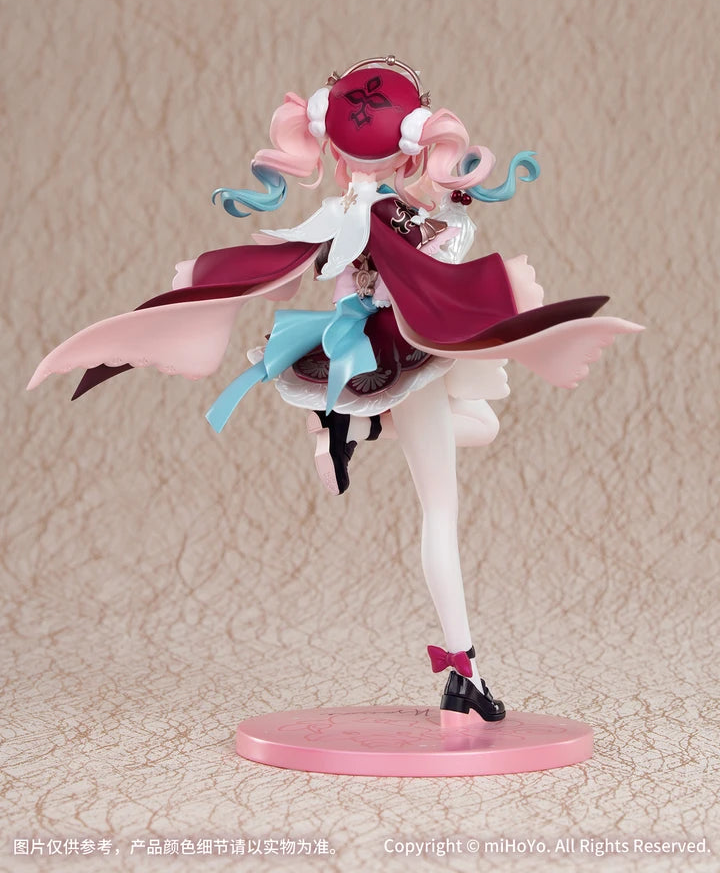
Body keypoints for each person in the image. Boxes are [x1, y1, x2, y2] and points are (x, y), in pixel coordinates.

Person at [28, 56, 642, 720]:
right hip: (402, 353)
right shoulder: (400, 217)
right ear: (412, 147)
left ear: (334, 151)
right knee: (440, 512)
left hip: (369, 351)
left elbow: (286, 263)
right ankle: (464, 672)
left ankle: (354, 426)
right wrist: (438, 211)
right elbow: (441, 266)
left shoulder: (338, 213)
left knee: (484, 426)